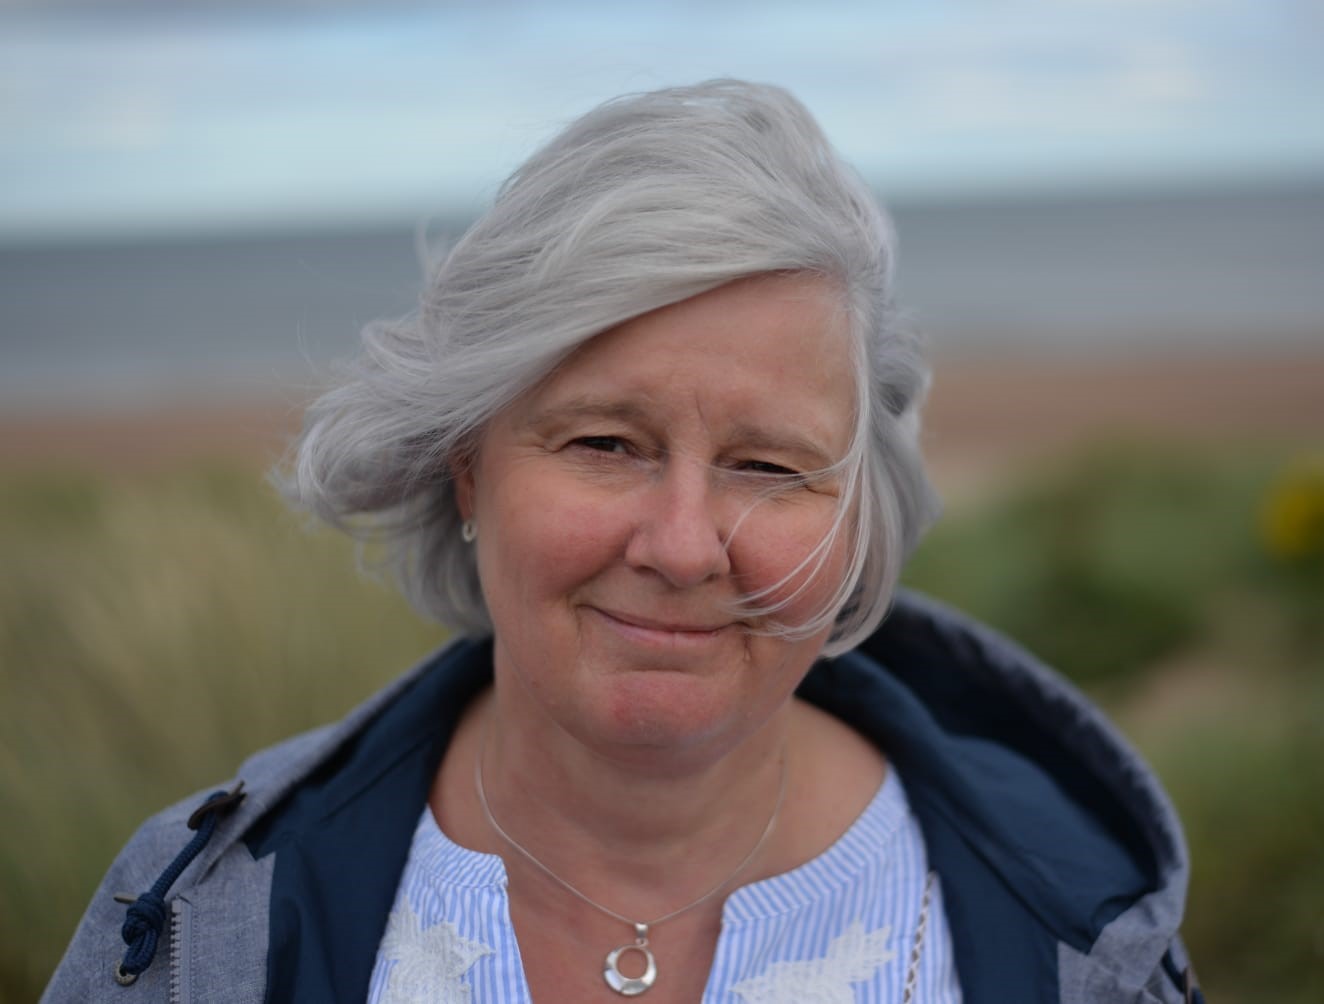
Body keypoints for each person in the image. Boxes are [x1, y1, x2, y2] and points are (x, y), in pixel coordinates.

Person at [47, 80, 1201, 1003]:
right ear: (468, 465)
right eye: (605, 442)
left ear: (858, 516)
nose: (684, 545)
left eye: (769, 465)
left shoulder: (1073, 924)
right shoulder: (200, 914)